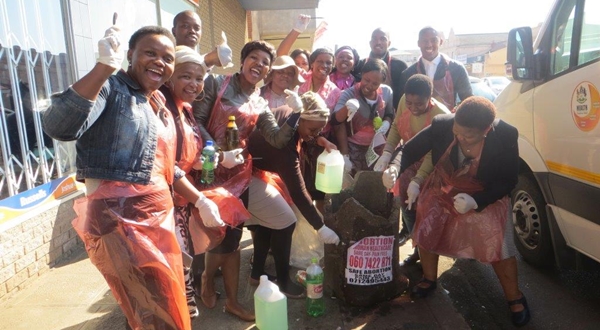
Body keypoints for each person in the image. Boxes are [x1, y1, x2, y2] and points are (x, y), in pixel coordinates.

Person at [42, 25, 225, 330]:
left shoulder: (157, 103)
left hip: (158, 218)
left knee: (151, 311)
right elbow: (59, 125)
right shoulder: (112, 89)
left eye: (167, 57)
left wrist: (201, 199)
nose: (159, 62)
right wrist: (102, 68)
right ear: (130, 55)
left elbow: (164, 166)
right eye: (149, 53)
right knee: (156, 313)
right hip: (121, 221)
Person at [192, 40, 302, 322]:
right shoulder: (218, 84)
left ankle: (229, 298)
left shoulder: (260, 102)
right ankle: (209, 281)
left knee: (232, 239)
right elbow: (196, 121)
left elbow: (277, 138)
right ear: (242, 61)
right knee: (221, 237)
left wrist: (295, 115)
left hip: (240, 176)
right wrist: (217, 153)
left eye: (265, 62)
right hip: (209, 171)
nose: (260, 65)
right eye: (254, 58)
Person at [397, 96, 530, 327]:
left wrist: (476, 201)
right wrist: (391, 166)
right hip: (444, 186)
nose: (459, 138)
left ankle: (515, 297)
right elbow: (409, 149)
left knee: (500, 243)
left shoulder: (506, 134)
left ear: (486, 130)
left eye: (468, 135)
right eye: (457, 131)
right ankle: (429, 278)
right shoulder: (442, 124)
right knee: (427, 224)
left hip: (484, 192)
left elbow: (508, 180)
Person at [159, 46, 244, 319]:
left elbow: (187, 153)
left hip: (180, 205)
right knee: (160, 289)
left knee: (177, 286)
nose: (194, 84)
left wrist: (206, 161)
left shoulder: (184, 109)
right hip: (162, 209)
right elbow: (163, 163)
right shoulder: (161, 110)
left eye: (199, 78)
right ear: (170, 77)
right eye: (186, 76)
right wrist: (200, 199)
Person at [246, 91, 340, 298]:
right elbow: (298, 193)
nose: (315, 134)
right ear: (301, 118)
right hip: (241, 175)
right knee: (286, 221)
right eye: (313, 130)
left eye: (320, 130)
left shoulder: (292, 113)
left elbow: (308, 131)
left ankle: (256, 273)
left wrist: (320, 140)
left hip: (254, 168)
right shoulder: (286, 143)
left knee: (268, 219)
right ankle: (283, 282)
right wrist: (321, 227)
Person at [375, 74, 451, 265]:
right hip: (409, 160)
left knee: (427, 211)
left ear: (430, 98)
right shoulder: (404, 101)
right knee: (407, 206)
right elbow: (396, 127)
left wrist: (418, 180)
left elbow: (434, 154)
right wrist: (387, 153)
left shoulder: (440, 115)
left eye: (419, 104)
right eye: (410, 103)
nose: (413, 108)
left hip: (434, 167)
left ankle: (429, 253)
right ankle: (418, 248)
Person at [297, 47, 342, 213]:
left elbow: (336, 123)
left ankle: (321, 230)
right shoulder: (299, 80)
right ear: (312, 63)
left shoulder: (336, 92)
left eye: (329, 62)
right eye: (320, 61)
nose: (324, 65)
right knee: (300, 187)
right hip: (296, 139)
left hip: (321, 144)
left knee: (320, 190)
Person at [332, 58, 394, 177]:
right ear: (362, 74)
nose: (369, 86)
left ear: (382, 82)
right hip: (353, 147)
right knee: (356, 180)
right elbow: (336, 121)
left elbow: (389, 113)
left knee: (375, 180)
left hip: (377, 146)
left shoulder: (386, 92)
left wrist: (386, 123)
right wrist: (347, 107)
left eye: (375, 83)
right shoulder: (348, 93)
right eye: (366, 80)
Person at [398, 26, 472, 112]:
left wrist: (454, 114)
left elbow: (468, 100)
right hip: (417, 124)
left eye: (433, 40)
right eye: (424, 41)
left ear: (440, 42)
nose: (429, 45)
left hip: (447, 123)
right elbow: (403, 105)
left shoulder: (456, 69)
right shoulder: (408, 73)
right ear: (418, 43)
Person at [354, 28, 408, 109]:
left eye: (383, 39)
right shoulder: (359, 65)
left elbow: (404, 97)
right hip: (361, 114)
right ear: (370, 43)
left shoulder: (400, 66)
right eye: (374, 39)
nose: (378, 42)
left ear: (389, 43)